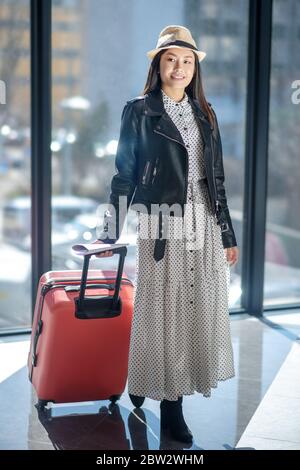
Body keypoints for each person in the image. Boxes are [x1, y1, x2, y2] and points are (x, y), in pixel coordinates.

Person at [92, 25, 239, 444]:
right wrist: (109, 230)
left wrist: (226, 233)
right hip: (162, 219)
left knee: (193, 311)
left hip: (203, 222)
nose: (180, 67)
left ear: (195, 68)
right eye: (171, 59)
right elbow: (124, 172)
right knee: (164, 312)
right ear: (158, 65)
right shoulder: (140, 111)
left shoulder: (205, 115)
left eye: (187, 61)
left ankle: (148, 381)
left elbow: (218, 179)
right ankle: (170, 408)